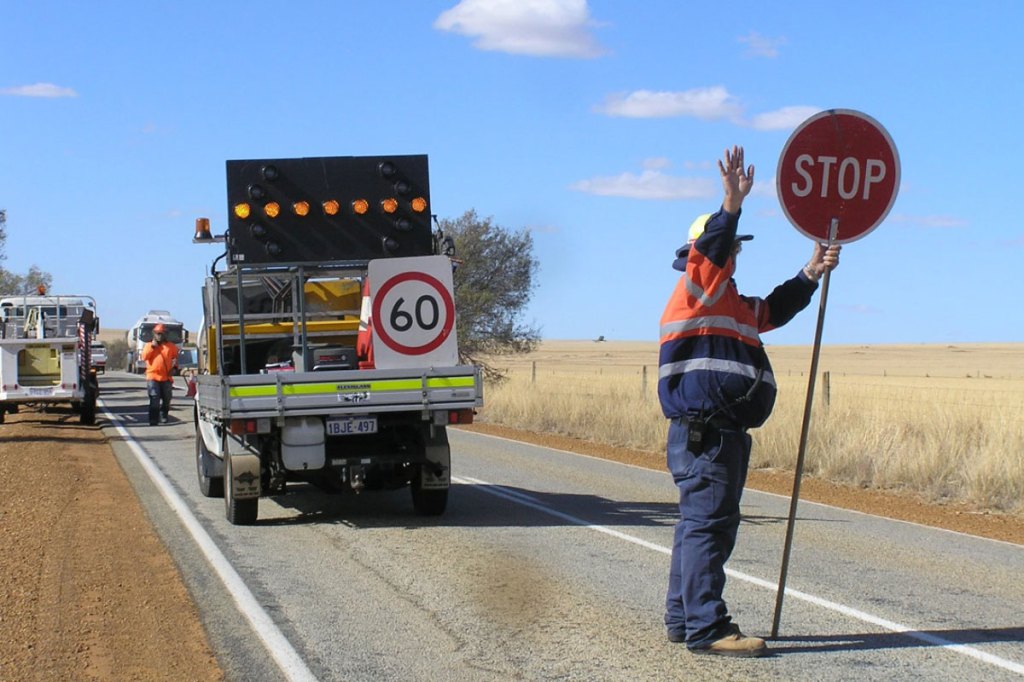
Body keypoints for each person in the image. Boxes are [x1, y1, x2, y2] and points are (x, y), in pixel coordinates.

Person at [659, 146, 840, 657]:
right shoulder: (698, 289)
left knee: (701, 525)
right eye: (732, 245)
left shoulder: (729, 302)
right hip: (708, 433)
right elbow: (711, 252)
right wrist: (731, 205)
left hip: (719, 434)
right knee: (709, 527)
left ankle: (684, 618)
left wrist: (810, 272)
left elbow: (774, 309)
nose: (736, 251)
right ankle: (708, 628)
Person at [141, 323, 178, 425]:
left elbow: (175, 359)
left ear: (165, 334)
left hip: (166, 377)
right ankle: (153, 419)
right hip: (153, 376)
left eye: (161, 333)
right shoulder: (148, 346)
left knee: (167, 398)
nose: (159, 336)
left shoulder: (171, 347)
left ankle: (164, 415)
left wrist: (174, 368)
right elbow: (144, 357)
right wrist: (152, 347)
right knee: (154, 398)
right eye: (157, 333)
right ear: (154, 334)